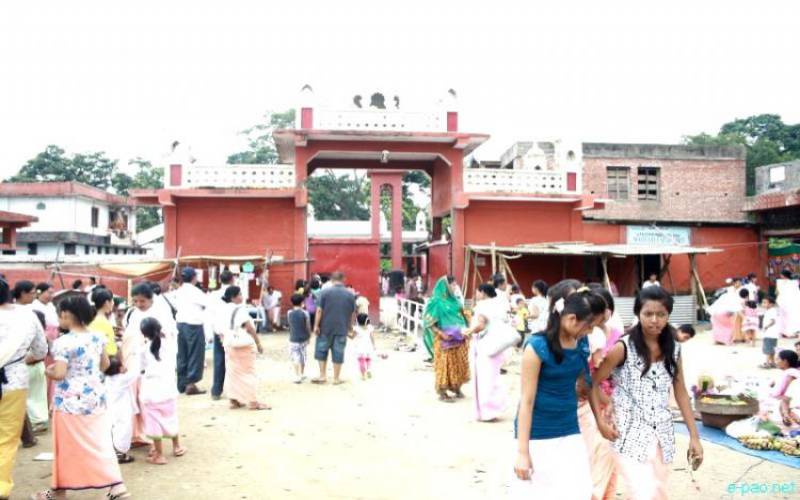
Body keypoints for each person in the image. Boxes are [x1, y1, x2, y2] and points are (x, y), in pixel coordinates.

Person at [590, 286, 703, 500]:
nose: (654, 320)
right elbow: (593, 383)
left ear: (668, 315)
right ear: (638, 314)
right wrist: (601, 423)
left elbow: (680, 393)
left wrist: (694, 437)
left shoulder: (674, 349)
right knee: (643, 492)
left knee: (658, 490)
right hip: (626, 432)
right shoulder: (623, 348)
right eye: (648, 314)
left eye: (661, 314)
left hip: (660, 433)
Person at [32, 295, 131, 500]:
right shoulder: (97, 337)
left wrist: (49, 372)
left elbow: (60, 373)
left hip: (68, 402)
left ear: (66, 315)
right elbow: (105, 365)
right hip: (95, 398)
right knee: (100, 441)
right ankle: (117, 485)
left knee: (65, 447)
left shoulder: (63, 343)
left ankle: (59, 490)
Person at [512, 289, 606, 499]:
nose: (591, 331)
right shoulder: (536, 347)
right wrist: (522, 452)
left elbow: (586, 382)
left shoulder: (580, 344)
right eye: (589, 325)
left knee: (577, 490)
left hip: (569, 428)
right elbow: (526, 402)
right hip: (538, 433)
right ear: (572, 319)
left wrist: (600, 419)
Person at [0, 278, 46, 499]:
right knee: (7, 438)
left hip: (11, 379)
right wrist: (23, 359)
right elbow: (41, 350)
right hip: (14, 380)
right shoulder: (28, 316)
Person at [138, 317, 186, 464]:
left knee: (154, 422)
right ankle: (177, 446)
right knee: (171, 416)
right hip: (168, 388)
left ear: (144, 334)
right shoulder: (170, 344)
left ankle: (159, 454)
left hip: (152, 390)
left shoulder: (143, 349)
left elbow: (140, 368)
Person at [466, 283, 513, 421]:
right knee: (494, 377)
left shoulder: (483, 305)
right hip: (497, 345)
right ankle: (495, 408)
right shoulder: (500, 304)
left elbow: (481, 325)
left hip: (484, 344)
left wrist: (468, 331)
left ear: (483, 292)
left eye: (477, 292)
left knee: (483, 378)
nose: (476, 295)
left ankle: (487, 412)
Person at [221, 286, 268, 410]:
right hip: (243, 344)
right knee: (248, 373)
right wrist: (258, 343)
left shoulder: (222, 309)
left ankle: (233, 400)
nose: (242, 297)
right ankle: (253, 402)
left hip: (229, 343)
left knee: (232, 373)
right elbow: (250, 328)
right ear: (233, 297)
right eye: (240, 294)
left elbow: (219, 329)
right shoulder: (239, 309)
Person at [423, 276, 470, 402]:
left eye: (455, 284)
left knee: (458, 364)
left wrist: (467, 327)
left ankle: (456, 387)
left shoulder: (455, 300)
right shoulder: (436, 302)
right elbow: (428, 321)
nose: (455, 287)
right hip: (444, 339)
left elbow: (463, 316)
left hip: (459, 338)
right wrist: (441, 333)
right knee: (444, 366)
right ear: (446, 286)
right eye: (453, 285)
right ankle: (442, 392)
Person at [312, 272, 356, 385]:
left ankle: (322, 376)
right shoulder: (350, 294)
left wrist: (316, 325)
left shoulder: (324, 292)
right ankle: (336, 378)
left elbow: (319, 310)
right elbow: (352, 313)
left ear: (332, 280)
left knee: (322, 350)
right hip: (342, 328)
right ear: (343, 279)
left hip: (325, 328)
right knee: (338, 352)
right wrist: (350, 328)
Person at [174, 267, 208, 395]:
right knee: (195, 353)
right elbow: (207, 303)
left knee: (182, 354)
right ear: (194, 277)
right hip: (193, 324)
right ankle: (191, 383)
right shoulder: (195, 291)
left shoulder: (178, 291)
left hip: (180, 324)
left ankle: (181, 384)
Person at [209, 270, 234, 401]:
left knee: (219, 360)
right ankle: (235, 391)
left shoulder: (213, 295)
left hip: (218, 330)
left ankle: (216, 390)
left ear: (220, 280)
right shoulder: (235, 292)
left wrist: (213, 331)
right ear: (232, 279)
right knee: (235, 361)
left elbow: (210, 314)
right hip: (232, 330)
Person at [287, 293, 311, 383]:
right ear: (302, 303)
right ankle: (302, 373)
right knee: (303, 356)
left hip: (293, 338)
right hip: (303, 338)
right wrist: (309, 336)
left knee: (295, 357)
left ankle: (297, 375)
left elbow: (290, 324)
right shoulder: (305, 313)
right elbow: (308, 326)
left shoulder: (289, 313)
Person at [350, 313, 376, 380]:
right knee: (368, 359)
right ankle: (369, 369)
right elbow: (372, 337)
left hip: (360, 349)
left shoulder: (356, 329)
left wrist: (346, 334)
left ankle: (363, 375)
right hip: (368, 347)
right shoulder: (370, 327)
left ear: (357, 321)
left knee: (361, 361)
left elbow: (352, 337)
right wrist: (374, 345)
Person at [776, 269, 800, 338]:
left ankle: (791, 332)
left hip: (790, 303)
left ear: (784, 275)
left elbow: (795, 293)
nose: (780, 276)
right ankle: (783, 332)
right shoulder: (781, 282)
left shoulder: (793, 283)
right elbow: (778, 292)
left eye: (781, 274)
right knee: (782, 318)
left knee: (790, 318)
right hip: (782, 303)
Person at [760, 295, 780, 369]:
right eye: (762, 302)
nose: (763, 304)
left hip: (770, 333)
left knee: (768, 349)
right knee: (772, 349)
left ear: (771, 304)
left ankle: (767, 363)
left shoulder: (772, 311)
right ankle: (773, 362)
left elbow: (772, 321)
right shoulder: (769, 311)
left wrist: (766, 327)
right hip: (771, 334)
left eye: (765, 302)